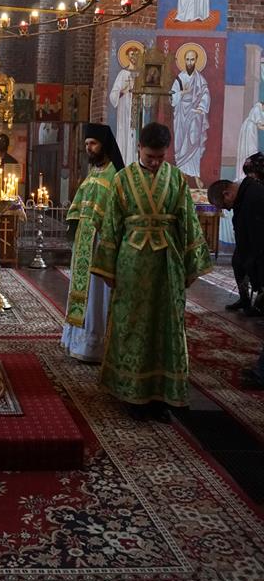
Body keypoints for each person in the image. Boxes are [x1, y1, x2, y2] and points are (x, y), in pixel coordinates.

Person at [91, 122, 212, 421]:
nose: (155, 162)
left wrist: (192, 263)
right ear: (139, 149)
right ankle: (131, 392)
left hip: (168, 262)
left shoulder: (176, 178)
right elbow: (111, 225)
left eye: (160, 157)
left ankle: (164, 394)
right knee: (132, 323)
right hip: (131, 262)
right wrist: (107, 266)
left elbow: (188, 221)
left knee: (167, 323)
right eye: (149, 157)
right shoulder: (122, 179)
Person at [61, 123, 124, 362]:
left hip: (102, 243)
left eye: (93, 144)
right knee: (81, 291)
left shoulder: (115, 174)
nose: (89, 148)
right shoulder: (94, 172)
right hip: (85, 242)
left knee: (98, 293)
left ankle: (95, 346)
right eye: (86, 144)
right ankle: (78, 340)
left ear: (104, 145)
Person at [208, 175, 264, 388]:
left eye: (225, 206)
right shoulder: (249, 196)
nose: (228, 210)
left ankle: (261, 374)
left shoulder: (253, 199)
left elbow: (258, 242)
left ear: (227, 193)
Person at [170, 46, 210, 185]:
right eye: (187, 59)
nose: (189, 62)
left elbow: (205, 94)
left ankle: (196, 176)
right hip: (181, 113)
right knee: (180, 144)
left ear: (196, 60)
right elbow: (172, 96)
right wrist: (183, 93)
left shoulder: (200, 79)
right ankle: (181, 175)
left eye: (192, 59)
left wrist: (201, 108)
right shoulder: (179, 78)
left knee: (194, 142)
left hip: (194, 114)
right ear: (184, 61)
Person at [109, 45, 142, 166]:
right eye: (132, 54)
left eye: (136, 54)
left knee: (136, 134)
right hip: (125, 109)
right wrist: (124, 90)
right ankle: (124, 162)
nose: (134, 57)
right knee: (125, 133)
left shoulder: (141, 74)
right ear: (127, 56)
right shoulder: (123, 74)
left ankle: (135, 163)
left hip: (137, 109)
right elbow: (113, 95)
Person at [236, 102, 264, 178]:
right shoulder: (257, 108)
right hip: (250, 130)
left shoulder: (260, 110)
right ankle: (245, 174)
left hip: (250, 129)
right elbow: (260, 125)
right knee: (251, 150)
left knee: (251, 150)